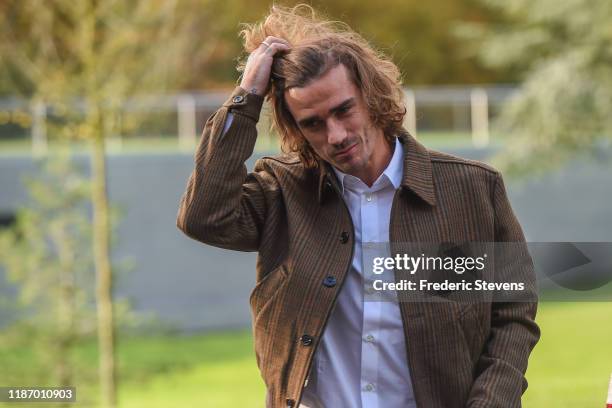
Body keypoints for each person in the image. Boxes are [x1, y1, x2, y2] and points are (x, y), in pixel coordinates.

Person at [177, 5, 540, 408]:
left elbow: (512, 317)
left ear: (371, 95)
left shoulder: (470, 190)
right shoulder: (282, 190)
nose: (335, 135)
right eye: (312, 123)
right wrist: (246, 98)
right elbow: (204, 216)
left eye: (343, 110)